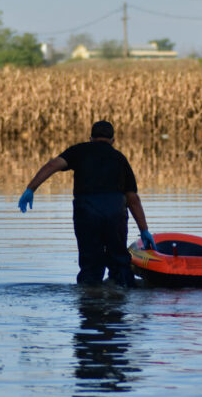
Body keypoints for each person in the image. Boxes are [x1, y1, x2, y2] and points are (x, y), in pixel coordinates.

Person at [17, 120, 155, 287]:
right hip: (115, 212)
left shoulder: (79, 151)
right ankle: (119, 295)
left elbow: (53, 165)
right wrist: (144, 230)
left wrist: (31, 189)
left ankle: (90, 302)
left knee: (90, 265)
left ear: (91, 138)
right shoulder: (120, 159)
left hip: (87, 212)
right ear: (113, 141)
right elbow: (132, 199)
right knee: (120, 265)